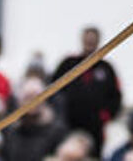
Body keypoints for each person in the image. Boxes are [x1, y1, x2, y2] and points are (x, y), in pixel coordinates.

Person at [49, 27, 121, 156]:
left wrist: (104, 116)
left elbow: (116, 96)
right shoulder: (69, 64)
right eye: (87, 40)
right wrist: (58, 114)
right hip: (69, 124)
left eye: (93, 40)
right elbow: (53, 89)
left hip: (95, 127)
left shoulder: (106, 68)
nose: (89, 43)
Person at [1, 78, 68, 161]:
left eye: (37, 97)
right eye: (28, 97)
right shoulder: (9, 128)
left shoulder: (57, 130)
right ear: (19, 101)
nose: (32, 102)